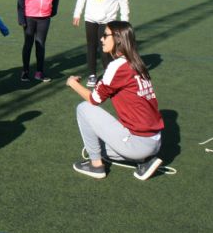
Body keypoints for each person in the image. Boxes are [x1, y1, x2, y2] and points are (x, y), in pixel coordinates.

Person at [66, 21, 164, 181]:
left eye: (105, 35)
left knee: (84, 109)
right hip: (155, 142)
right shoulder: (137, 62)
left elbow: (94, 99)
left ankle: (96, 166)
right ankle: (144, 161)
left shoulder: (117, 66)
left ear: (118, 39)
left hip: (139, 143)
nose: (101, 39)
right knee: (98, 143)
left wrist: (73, 84)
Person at [73, 0, 129, 87]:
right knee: (91, 47)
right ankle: (92, 75)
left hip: (107, 21)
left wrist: (124, 22)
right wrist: (77, 13)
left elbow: (124, 3)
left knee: (105, 50)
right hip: (90, 19)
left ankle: (108, 75)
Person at [17, 0, 59, 82]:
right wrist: (21, 17)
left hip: (44, 17)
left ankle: (39, 72)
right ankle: (25, 71)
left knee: (40, 44)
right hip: (29, 16)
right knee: (28, 44)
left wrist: (53, 10)